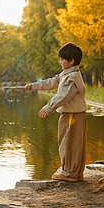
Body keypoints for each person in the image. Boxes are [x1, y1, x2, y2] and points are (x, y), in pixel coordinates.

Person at [25, 43, 87, 182]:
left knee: (68, 143)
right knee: (74, 143)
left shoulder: (71, 78)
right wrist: (34, 86)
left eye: (62, 59)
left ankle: (70, 173)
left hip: (72, 115)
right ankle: (75, 172)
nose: (60, 62)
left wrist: (48, 107)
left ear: (71, 61)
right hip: (76, 114)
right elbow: (52, 82)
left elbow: (63, 96)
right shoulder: (69, 73)